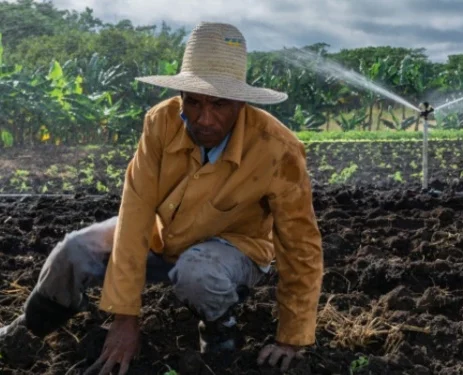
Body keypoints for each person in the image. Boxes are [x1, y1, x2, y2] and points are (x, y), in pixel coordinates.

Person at [0, 21, 323, 374]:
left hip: (233, 250)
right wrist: (125, 316)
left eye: (219, 104)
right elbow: (135, 212)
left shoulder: (278, 149)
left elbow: (300, 246)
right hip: (163, 234)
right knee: (75, 249)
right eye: (194, 102)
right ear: (181, 96)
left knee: (198, 272)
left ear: (240, 103)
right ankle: (25, 332)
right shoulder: (161, 122)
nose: (204, 118)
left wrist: (292, 337)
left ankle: (220, 333)